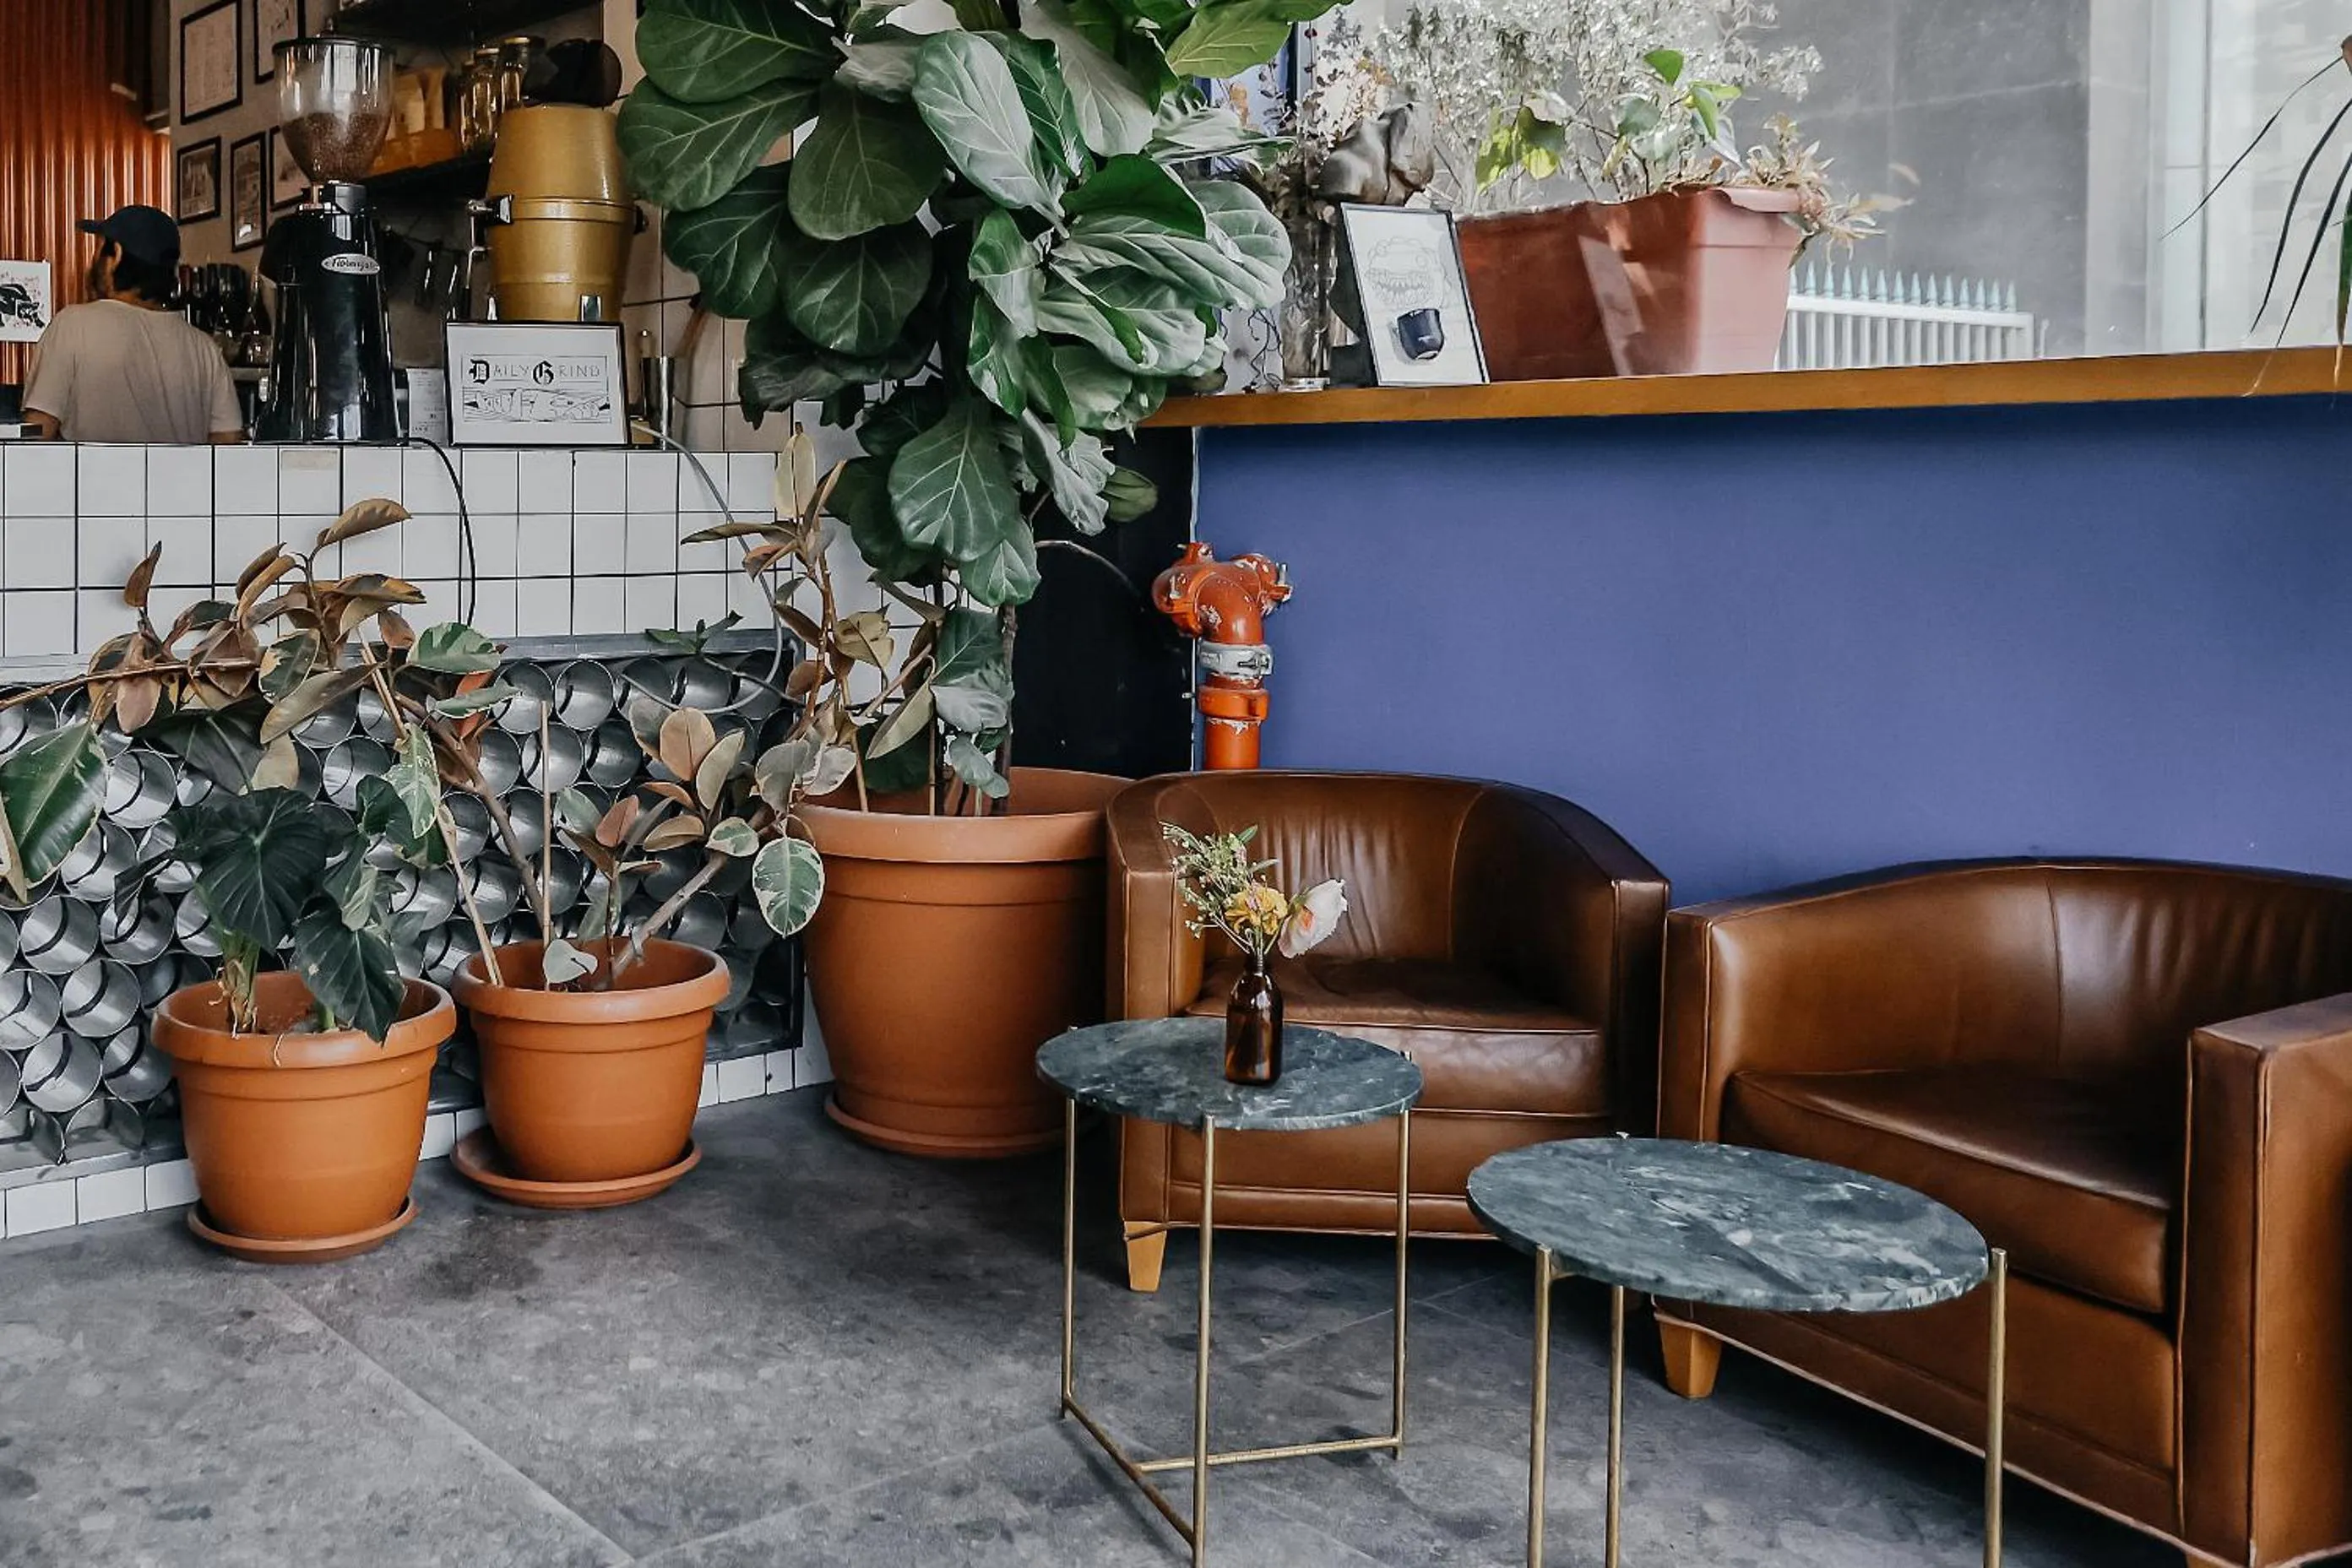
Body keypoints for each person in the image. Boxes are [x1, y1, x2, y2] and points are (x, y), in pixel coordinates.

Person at [22, 204, 244, 444]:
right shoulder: (204, 348)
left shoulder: (73, 326)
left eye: (100, 249)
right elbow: (227, 438)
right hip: (181, 482)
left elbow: (38, 432)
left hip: (92, 482)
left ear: (115, 255)